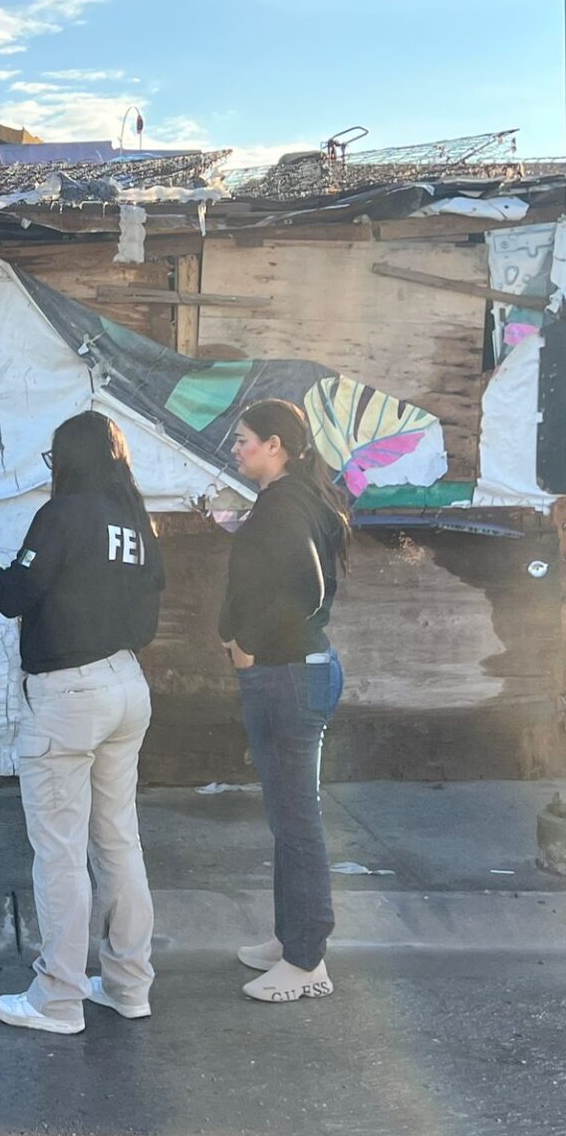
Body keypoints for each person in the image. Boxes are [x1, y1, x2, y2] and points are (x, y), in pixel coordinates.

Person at [0, 410, 163, 1037]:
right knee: (119, 842)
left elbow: (16, 594)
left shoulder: (63, 514)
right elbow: (150, 617)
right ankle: (128, 984)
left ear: (69, 458)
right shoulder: (137, 521)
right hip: (127, 683)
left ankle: (58, 998)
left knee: (61, 852)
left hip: (69, 694)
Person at [219, 397, 351, 1004]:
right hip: (299, 669)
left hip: (288, 673)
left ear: (276, 445)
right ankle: (290, 939)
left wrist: (247, 643)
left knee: (297, 823)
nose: (236, 449)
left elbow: (304, 586)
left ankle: (305, 961)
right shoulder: (296, 498)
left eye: (244, 438)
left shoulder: (283, 504)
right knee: (289, 818)